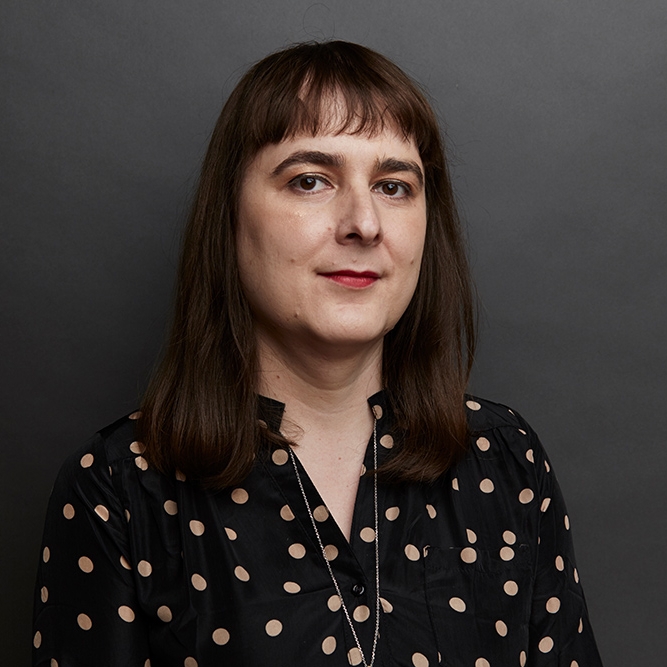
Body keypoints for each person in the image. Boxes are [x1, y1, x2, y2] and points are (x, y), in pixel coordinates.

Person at [33, 41, 603, 667]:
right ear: (228, 214)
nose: (363, 222)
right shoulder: (117, 490)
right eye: (310, 180)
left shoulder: (509, 464)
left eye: (393, 186)